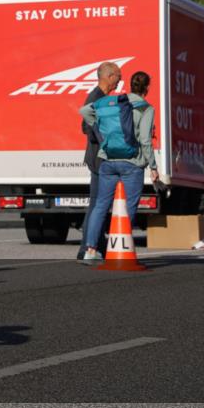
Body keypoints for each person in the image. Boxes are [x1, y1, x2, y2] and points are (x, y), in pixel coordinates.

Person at [79, 71, 159, 262]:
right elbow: (146, 141)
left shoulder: (112, 102)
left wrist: (99, 130)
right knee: (128, 207)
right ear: (147, 88)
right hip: (132, 164)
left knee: (100, 205)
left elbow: (84, 111)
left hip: (108, 161)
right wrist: (153, 167)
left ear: (130, 85)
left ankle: (90, 250)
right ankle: (120, 248)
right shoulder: (145, 108)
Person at [75, 62, 122, 260]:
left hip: (99, 158)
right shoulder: (96, 99)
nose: (119, 81)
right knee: (98, 204)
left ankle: (95, 245)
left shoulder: (100, 98)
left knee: (99, 203)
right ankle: (88, 247)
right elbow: (88, 129)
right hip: (99, 159)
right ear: (108, 76)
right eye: (118, 77)